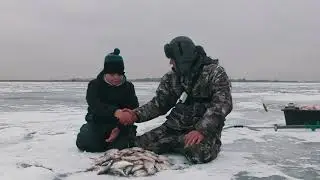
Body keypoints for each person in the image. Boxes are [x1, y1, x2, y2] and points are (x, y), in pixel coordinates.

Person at [117, 36, 233, 164]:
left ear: (183, 59)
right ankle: (176, 142)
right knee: (134, 145)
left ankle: (183, 143)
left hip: (201, 130)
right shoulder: (172, 77)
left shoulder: (215, 73)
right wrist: (135, 115)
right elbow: (160, 104)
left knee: (199, 154)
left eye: (173, 59)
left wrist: (202, 130)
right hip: (173, 127)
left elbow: (222, 104)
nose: (171, 63)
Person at [76, 48, 139, 152]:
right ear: (105, 73)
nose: (116, 77)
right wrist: (115, 112)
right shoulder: (95, 85)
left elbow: (133, 107)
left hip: (121, 125)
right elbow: (95, 105)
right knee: (87, 144)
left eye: (119, 74)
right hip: (98, 122)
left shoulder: (129, 87)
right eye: (112, 74)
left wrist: (119, 127)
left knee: (120, 148)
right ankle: (88, 131)